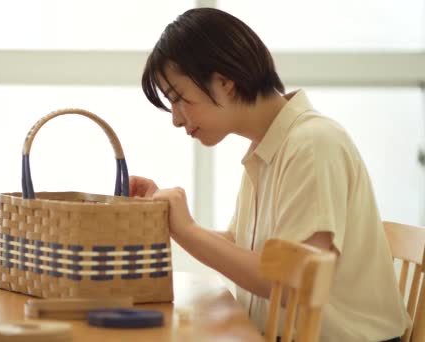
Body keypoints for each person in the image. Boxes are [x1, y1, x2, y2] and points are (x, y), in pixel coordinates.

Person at [131, 7, 410, 342]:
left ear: (224, 81)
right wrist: (169, 220)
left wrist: (188, 230)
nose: (176, 119)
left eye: (179, 99)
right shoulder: (269, 148)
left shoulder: (313, 143)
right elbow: (249, 250)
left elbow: (295, 284)